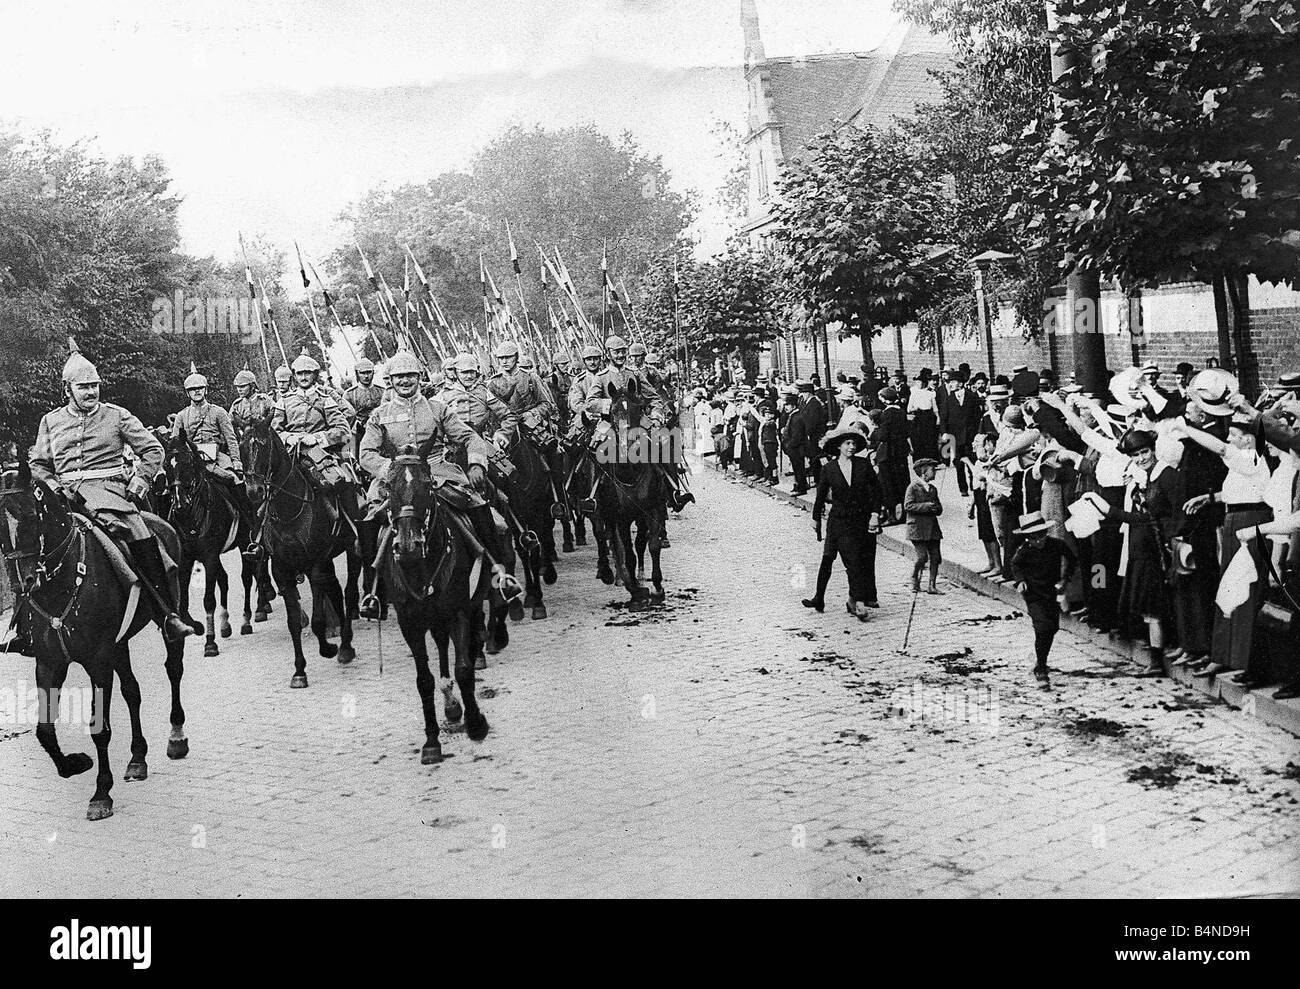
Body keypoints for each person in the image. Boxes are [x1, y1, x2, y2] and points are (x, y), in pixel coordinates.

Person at [29, 340, 195, 643]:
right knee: (30, 548)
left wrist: (139, 481)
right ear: (68, 390)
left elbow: (152, 450)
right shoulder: (50, 421)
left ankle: (167, 614)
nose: (91, 392)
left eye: (95, 386)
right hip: (63, 499)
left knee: (141, 536)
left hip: (110, 496)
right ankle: (25, 625)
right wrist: (53, 487)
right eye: (84, 387)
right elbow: (39, 464)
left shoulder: (117, 415)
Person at [357, 349, 521, 617]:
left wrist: (477, 463)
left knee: (482, 510)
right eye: (399, 377)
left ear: (419, 377)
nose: (405, 381)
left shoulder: (438, 408)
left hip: (438, 470)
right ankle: (372, 591)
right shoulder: (379, 414)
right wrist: (392, 470)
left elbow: (470, 438)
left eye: (410, 375)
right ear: (390, 380)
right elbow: (366, 454)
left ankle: (499, 576)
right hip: (395, 477)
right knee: (369, 518)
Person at [271, 348, 360, 518]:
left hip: (321, 454)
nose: (304, 377)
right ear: (294, 376)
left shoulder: (325, 399)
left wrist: (318, 438)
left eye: (308, 373)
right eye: (300, 374)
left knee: (341, 482)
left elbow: (343, 431)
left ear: (315, 375)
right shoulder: (284, 401)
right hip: (290, 453)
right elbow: (275, 430)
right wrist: (288, 437)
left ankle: (353, 527)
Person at [805, 426, 880, 619]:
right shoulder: (829, 469)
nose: (851, 447)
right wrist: (815, 518)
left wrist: (875, 513)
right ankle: (818, 597)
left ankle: (857, 601)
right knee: (827, 557)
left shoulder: (863, 465)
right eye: (847, 443)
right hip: (836, 519)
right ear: (839, 446)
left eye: (854, 443)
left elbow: (877, 491)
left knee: (853, 560)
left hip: (857, 520)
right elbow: (820, 495)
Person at [171, 363, 254, 522]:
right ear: (187, 393)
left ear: (206, 390)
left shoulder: (218, 412)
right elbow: (176, 443)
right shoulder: (181, 416)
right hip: (191, 460)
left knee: (234, 480)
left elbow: (231, 438)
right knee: (173, 487)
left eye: (200, 388)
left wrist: (236, 461)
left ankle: (247, 520)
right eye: (192, 389)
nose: (196, 391)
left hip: (216, 457)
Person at [1010, 510, 1077, 689]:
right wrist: (1020, 581)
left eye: (1041, 535)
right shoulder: (1024, 551)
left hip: (1051, 593)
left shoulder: (1057, 545)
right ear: (1027, 538)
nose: (1038, 541)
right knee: (1042, 627)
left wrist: (1066, 579)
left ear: (1046, 532)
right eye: (1033, 537)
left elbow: (1072, 559)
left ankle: (1042, 659)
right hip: (1033, 594)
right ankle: (1041, 668)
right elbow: (1015, 565)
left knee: (1053, 627)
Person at [905, 458, 944, 594]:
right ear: (923, 472)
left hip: (932, 529)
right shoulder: (912, 487)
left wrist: (936, 508)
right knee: (922, 557)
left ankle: (932, 585)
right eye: (932, 470)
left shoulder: (933, 489)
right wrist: (926, 506)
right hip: (917, 529)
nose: (935, 473)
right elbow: (908, 506)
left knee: (936, 557)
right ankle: (914, 578)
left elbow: (939, 508)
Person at [871, 386, 910, 524]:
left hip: (888, 453)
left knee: (887, 485)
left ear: (884, 399)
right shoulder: (901, 412)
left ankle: (892, 515)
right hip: (900, 452)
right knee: (902, 482)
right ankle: (905, 513)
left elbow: (883, 435)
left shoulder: (886, 414)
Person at [907, 368, 940, 462]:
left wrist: (938, 417)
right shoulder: (913, 394)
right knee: (918, 438)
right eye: (917, 382)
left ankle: (931, 459)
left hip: (929, 416)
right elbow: (909, 409)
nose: (919, 384)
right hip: (918, 417)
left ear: (925, 383)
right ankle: (919, 459)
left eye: (921, 382)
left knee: (930, 438)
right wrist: (915, 409)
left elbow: (935, 407)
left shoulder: (931, 393)